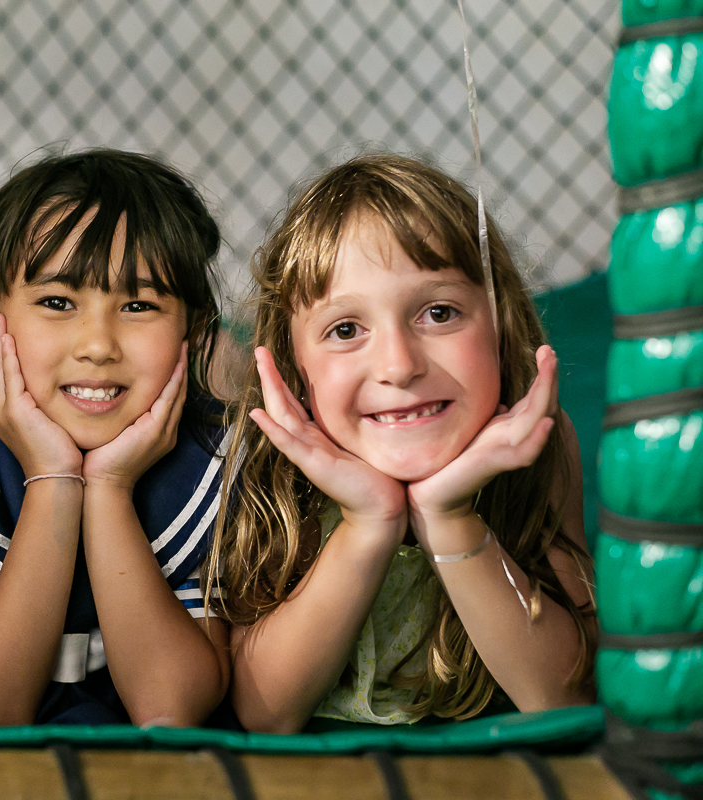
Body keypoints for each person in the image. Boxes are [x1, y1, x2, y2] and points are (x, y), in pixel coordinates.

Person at [209, 154, 597, 733]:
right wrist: (370, 522)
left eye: (439, 313)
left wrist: (449, 516)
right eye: (346, 330)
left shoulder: (540, 442)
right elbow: (265, 714)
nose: (398, 365)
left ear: (502, 326)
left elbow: (566, 698)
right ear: (293, 369)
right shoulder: (270, 464)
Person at [0, 149, 233, 726]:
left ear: (195, 328)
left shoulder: (218, 461)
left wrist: (110, 488)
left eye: (139, 305)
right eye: (58, 302)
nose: (98, 345)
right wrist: (53, 480)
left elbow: (170, 706)